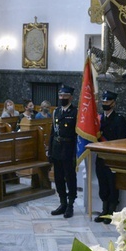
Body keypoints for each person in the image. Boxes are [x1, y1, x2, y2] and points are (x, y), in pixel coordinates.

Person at [94, 91, 126, 223]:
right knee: (103, 183)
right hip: (101, 156)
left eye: (107, 102)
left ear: (113, 103)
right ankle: (104, 209)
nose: (105, 104)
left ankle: (112, 211)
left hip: (113, 157)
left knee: (112, 183)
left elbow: (122, 139)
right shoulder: (99, 119)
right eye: (103, 102)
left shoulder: (119, 119)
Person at [48, 85, 77, 218]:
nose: (62, 98)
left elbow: (77, 135)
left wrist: (75, 154)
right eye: (60, 96)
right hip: (57, 149)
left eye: (65, 96)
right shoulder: (56, 112)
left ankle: (70, 205)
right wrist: (50, 151)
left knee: (70, 178)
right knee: (58, 178)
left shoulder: (75, 113)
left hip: (69, 148)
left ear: (70, 97)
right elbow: (52, 133)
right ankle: (62, 202)